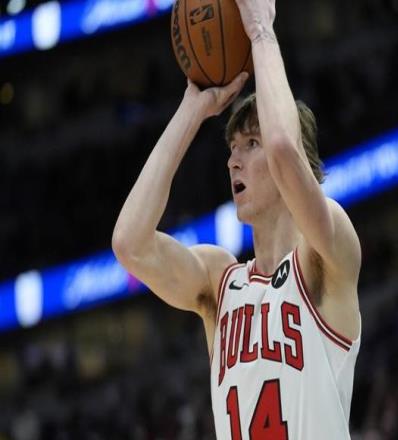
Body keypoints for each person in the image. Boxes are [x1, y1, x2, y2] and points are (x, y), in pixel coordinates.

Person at [112, 0, 362, 438]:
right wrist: (192, 108)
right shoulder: (220, 282)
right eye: (232, 148)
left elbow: (283, 150)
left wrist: (262, 31)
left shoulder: (327, 253)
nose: (233, 161)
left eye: (250, 144)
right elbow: (129, 244)